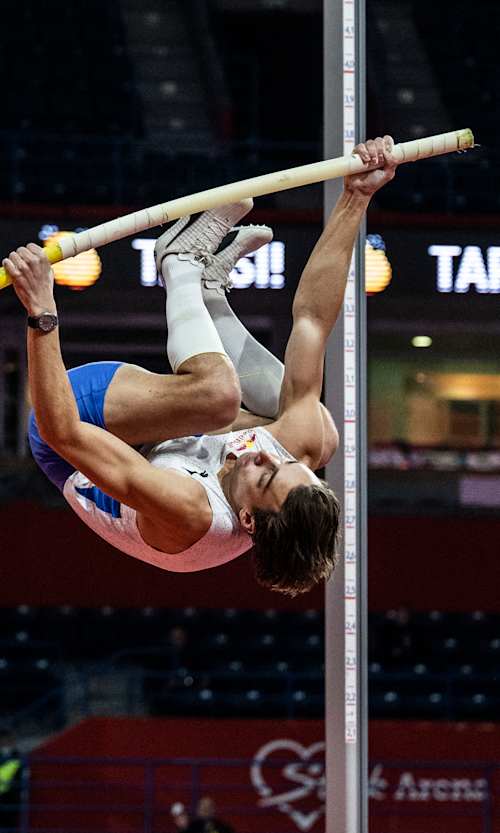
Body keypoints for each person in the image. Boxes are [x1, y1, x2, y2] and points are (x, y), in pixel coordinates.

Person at [4, 136, 397, 596]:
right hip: (160, 442)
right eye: (288, 462)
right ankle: (208, 291)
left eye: (266, 473)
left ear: (248, 520)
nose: (266, 454)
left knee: (218, 398)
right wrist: (356, 197)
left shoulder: (191, 511)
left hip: (75, 427)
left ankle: (180, 265)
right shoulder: (286, 458)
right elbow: (312, 321)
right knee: (320, 431)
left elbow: (62, 432)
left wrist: (41, 312)